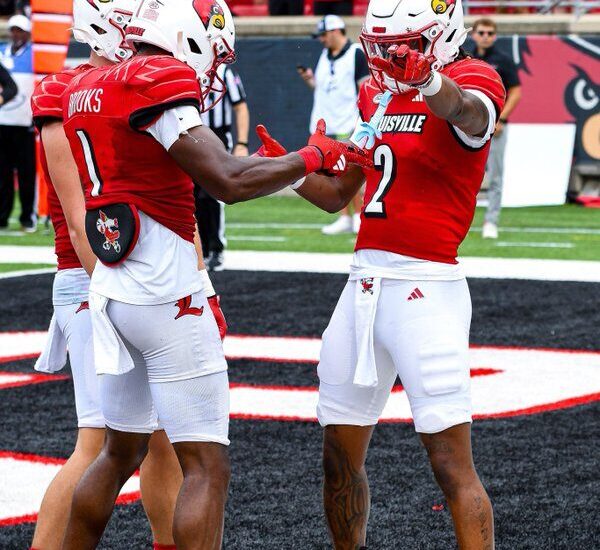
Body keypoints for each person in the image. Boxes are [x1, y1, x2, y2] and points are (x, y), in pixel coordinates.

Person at [60, 1, 370, 548]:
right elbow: (226, 179)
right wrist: (311, 156)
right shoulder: (160, 76)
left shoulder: (95, 81)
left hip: (114, 283)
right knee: (206, 465)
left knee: (117, 453)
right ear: (190, 36)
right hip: (163, 291)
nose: (212, 72)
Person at [260, 0, 505, 546]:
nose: (390, 56)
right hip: (362, 283)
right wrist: (292, 170)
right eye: (383, 45)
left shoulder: (472, 75)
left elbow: (468, 112)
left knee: (449, 465)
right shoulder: (377, 92)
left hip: (427, 288)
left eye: (405, 45)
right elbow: (339, 194)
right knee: (337, 458)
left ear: (440, 37)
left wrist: (430, 80)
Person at [30, 2, 184, 550]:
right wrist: (115, 293)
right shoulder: (62, 91)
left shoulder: (132, 83)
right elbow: (78, 221)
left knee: (167, 440)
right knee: (97, 442)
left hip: (139, 280)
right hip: (94, 278)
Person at [298, 15, 369, 235]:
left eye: (324, 35)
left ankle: (359, 215)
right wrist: (309, 80)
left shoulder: (356, 53)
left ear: (336, 31)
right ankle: (345, 217)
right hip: (325, 122)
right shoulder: (324, 56)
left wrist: (362, 121)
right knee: (330, 173)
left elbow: (364, 88)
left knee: (348, 171)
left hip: (347, 120)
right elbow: (323, 89)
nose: (321, 40)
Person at [470, 18, 521, 239]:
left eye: (490, 33)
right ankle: (461, 219)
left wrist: (500, 119)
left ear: (495, 35)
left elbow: (516, 92)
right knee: (466, 174)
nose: (486, 36)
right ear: (473, 34)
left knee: (496, 175)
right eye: (482, 32)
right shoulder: (467, 57)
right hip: (469, 124)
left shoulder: (504, 60)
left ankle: (491, 220)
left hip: (496, 125)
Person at [196, 64, 250, 272]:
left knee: (212, 195)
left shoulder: (225, 72)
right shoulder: (188, 68)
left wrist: (242, 143)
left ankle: (216, 248)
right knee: (191, 196)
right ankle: (201, 249)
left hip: (217, 137)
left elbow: (240, 106)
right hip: (191, 136)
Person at [0, 14, 36, 232]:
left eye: (20, 30)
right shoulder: (1, 51)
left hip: (25, 122)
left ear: (28, 33)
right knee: (2, 173)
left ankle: (26, 217)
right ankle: (2, 216)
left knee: (26, 174)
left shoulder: (35, 54)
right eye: (13, 30)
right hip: (3, 121)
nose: (16, 34)